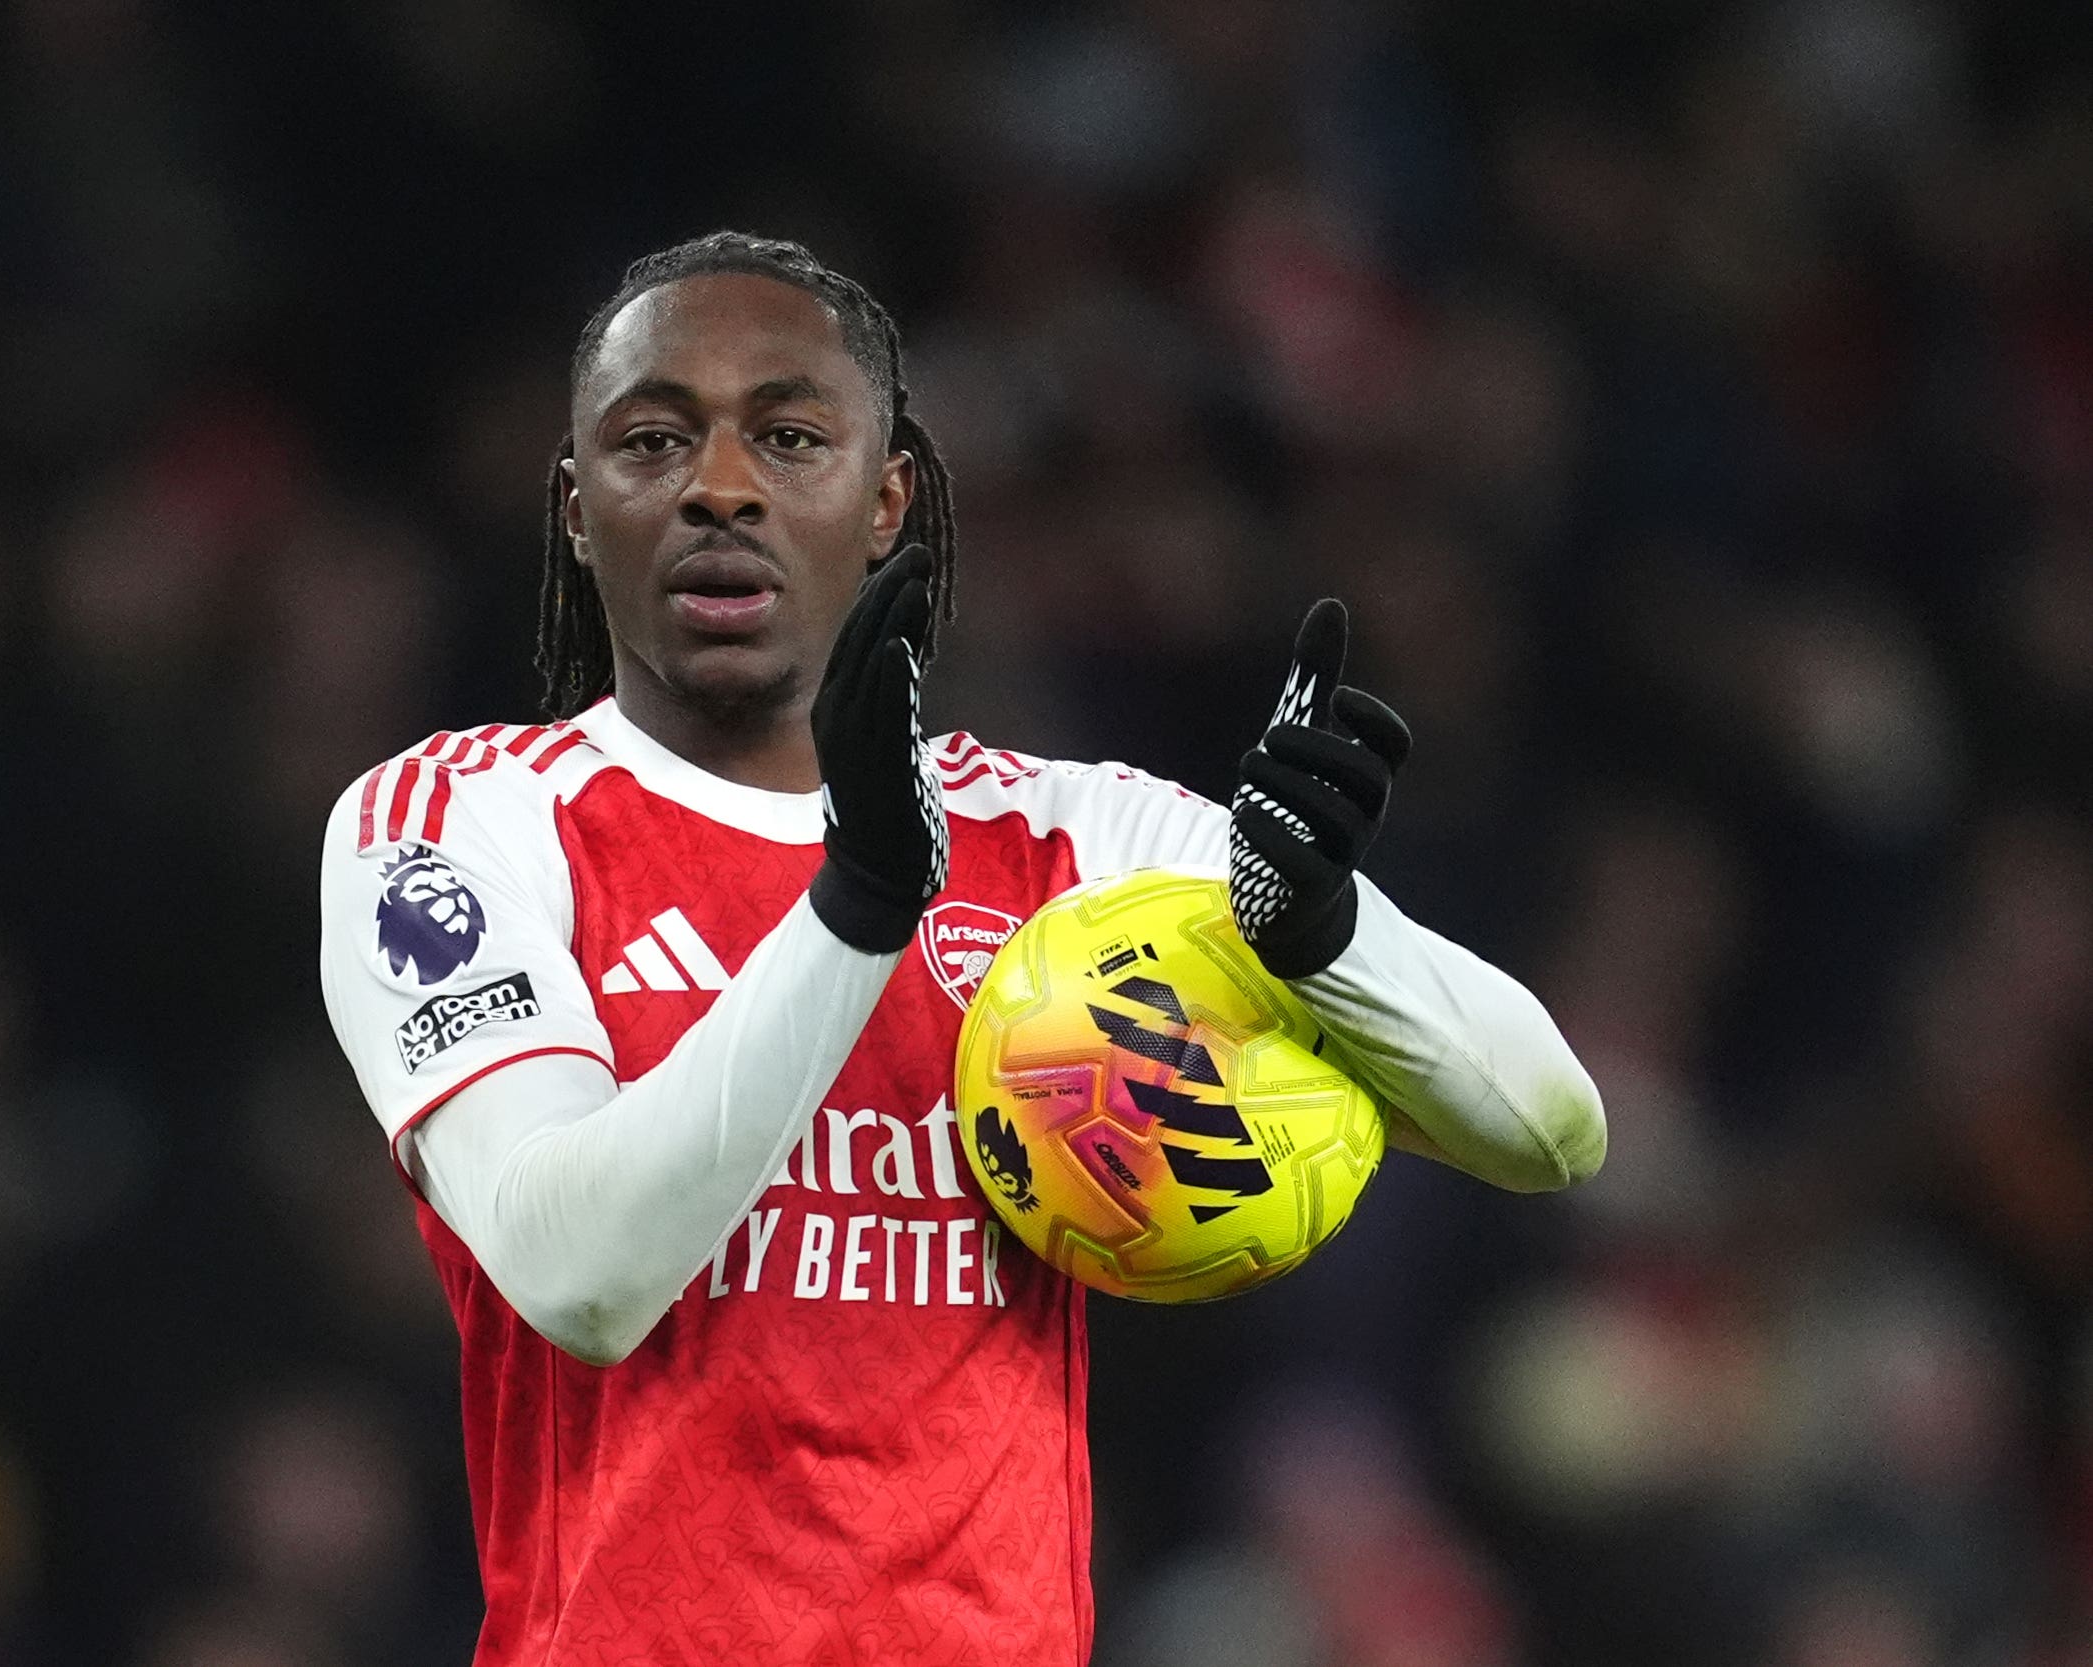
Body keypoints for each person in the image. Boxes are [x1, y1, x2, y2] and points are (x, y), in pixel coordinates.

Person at [317, 232, 1605, 1666]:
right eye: (653, 439)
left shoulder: (1075, 843)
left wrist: (1326, 935)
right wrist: (859, 908)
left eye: (790, 436)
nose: (720, 486)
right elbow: (582, 1275)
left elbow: (1551, 1126)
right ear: (575, 506)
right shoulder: (458, 825)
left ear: (887, 502)